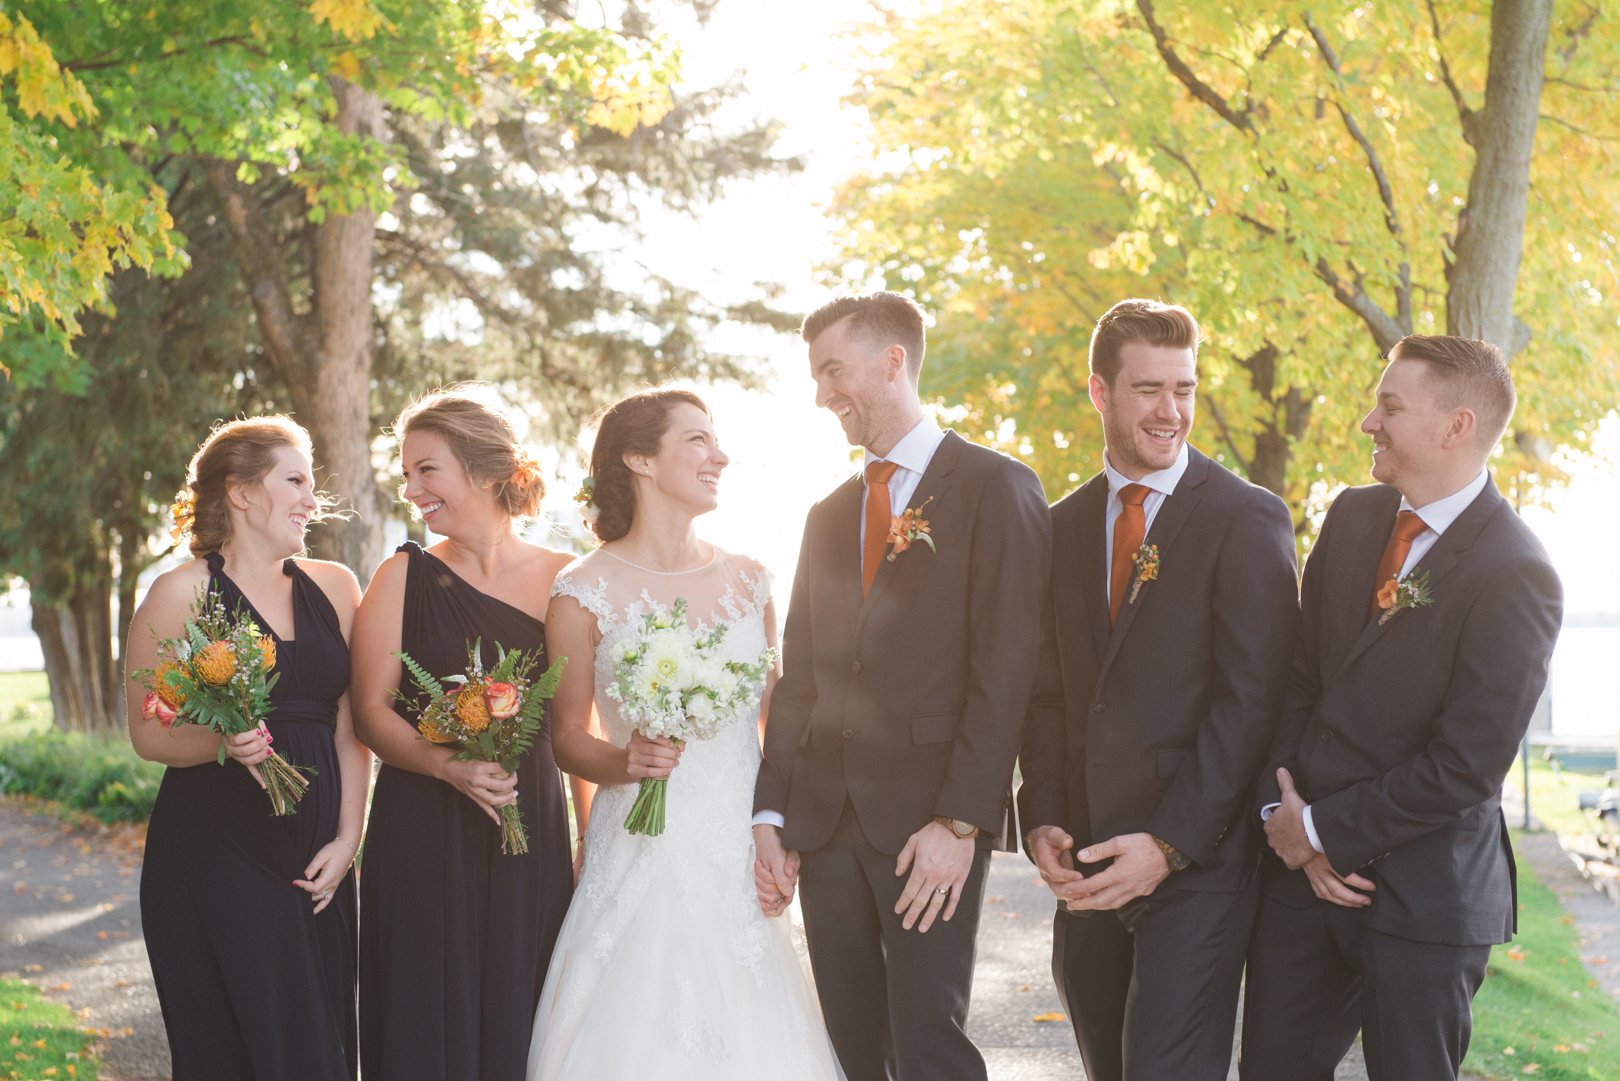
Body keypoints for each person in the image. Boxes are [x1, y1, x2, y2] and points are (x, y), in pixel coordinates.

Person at [1242, 335, 1563, 1081]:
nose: (1368, 422)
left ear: (1457, 426)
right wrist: (1284, 820)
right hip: (1299, 885)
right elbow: (1296, 680)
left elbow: (1465, 768)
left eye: (1389, 405)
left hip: (1425, 898)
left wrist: (1324, 830)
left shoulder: (1516, 571)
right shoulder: (1353, 517)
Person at [753, 292, 1051, 1081]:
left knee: (930, 1044)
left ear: (892, 363)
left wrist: (960, 820)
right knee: (851, 1047)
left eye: (832, 371)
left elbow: (1008, 668)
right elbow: (803, 676)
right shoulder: (826, 514)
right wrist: (773, 809)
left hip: (928, 824)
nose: (821, 394)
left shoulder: (998, 487)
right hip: (823, 822)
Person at [1016, 300, 1300, 1080]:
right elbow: (1046, 693)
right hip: (1088, 866)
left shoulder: (1248, 519)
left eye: (1184, 386)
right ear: (1100, 392)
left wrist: (1169, 845)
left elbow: (1252, 704)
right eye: (1148, 389)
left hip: (1199, 867)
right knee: (1108, 1066)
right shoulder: (1060, 525)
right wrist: (1041, 813)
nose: (1170, 410)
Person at [526, 388, 844, 1081]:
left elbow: (776, 723)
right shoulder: (581, 589)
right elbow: (565, 738)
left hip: (736, 846)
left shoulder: (749, 578)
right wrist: (625, 757)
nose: (719, 455)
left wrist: (778, 828)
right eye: (697, 440)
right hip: (637, 843)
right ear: (639, 458)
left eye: (715, 440)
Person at [130, 416, 368, 1080]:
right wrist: (221, 739)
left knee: (321, 1052)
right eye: (295, 480)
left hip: (317, 864)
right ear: (239, 491)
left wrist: (349, 838)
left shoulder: (338, 587)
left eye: (311, 483)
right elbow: (148, 732)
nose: (311, 500)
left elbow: (352, 731)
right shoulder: (178, 593)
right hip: (213, 856)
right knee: (232, 1058)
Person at [351, 388, 576, 1081]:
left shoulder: (567, 577)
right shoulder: (401, 575)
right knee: (425, 1004)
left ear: (483, 468)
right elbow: (369, 710)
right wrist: (444, 765)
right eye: (408, 471)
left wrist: (594, 837)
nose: (411, 487)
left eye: (427, 469)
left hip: (527, 822)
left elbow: (577, 721)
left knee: (525, 997)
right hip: (422, 823)